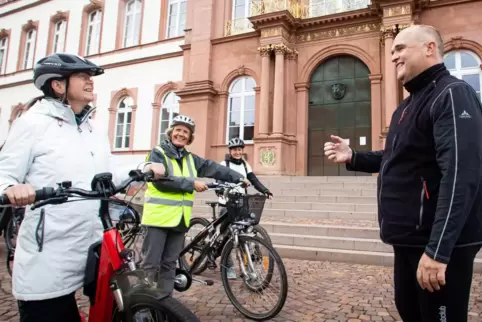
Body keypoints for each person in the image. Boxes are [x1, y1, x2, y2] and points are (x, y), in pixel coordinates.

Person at [324, 24, 482, 322]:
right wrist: (353, 156)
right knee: (410, 311)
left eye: (400, 48)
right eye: (392, 50)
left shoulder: (452, 94)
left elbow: (462, 174)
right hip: (409, 240)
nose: (393, 56)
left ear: (429, 49)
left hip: (435, 243)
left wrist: (438, 251)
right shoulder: (407, 106)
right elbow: (397, 157)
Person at [0, 53, 166, 322]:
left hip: (92, 243)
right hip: (50, 247)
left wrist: (143, 168)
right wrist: (11, 188)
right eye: (82, 76)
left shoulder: (93, 129)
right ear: (58, 85)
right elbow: (4, 172)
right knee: (50, 313)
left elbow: (107, 169)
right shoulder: (32, 124)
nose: (90, 81)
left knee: (112, 310)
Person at [140, 115, 250, 295]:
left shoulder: (191, 159)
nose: (181, 134)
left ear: (189, 137)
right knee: (151, 264)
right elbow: (161, 180)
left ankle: (164, 303)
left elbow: (214, 167)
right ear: (171, 132)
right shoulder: (158, 153)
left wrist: (239, 177)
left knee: (169, 263)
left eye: (185, 132)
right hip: (157, 220)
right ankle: (143, 307)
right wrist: (191, 184)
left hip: (179, 220)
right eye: (178, 130)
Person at [217, 137, 273, 279]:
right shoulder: (224, 164)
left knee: (243, 236)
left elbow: (254, 180)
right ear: (230, 151)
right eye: (235, 150)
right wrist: (219, 188)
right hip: (226, 203)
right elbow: (218, 180)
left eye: (239, 149)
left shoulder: (245, 165)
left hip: (241, 204)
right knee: (226, 236)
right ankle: (228, 267)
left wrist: (265, 190)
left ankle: (246, 267)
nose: (237, 152)